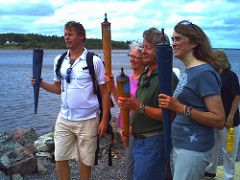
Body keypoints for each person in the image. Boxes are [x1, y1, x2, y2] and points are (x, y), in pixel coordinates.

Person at [32, 21, 110, 180]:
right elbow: (57, 88)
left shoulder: (93, 61)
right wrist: (41, 84)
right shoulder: (59, 60)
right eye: (65, 34)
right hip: (64, 118)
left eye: (70, 34)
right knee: (60, 158)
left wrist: (104, 120)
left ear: (81, 36)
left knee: (85, 161)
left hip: (88, 119)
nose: (66, 37)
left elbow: (105, 92)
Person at [158, 20, 226, 180]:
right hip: (182, 146)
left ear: (194, 42)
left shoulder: (204, 73)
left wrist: (179, 107)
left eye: (178, 39)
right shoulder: (188, 70)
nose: (173, 43)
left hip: (193, 149)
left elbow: (219, 119)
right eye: (173, 39)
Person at [118, 27, 178, 180]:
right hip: (138, 140)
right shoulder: (146, 74)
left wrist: (138, 106)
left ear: (160, 50)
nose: (143, 51)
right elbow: (138, 107)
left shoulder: (166, 77)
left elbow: (169, 116)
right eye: (143, 47)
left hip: (153, 142)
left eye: (148, 48)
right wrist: (130, 126)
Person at [106, 41, 145, 180]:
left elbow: (140, 106)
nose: (132, 59)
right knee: (129, 166)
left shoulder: (145, 80)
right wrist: (112, 87)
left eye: (136, 57)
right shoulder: (128, 79)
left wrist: (130, 127)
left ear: (144, 58)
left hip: (137, 128)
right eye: (130, 56)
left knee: (135, 167)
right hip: (126, 128)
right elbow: (121, 103)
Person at [204, 49, 240, 179]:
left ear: (219, 60)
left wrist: (230, 116)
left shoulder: (230, 76)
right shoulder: (212, 75)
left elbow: (237, 96)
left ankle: (229, 176)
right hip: (214, 119)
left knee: (229, 150)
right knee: (212, 147)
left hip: (229, 121)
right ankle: (210, 171)